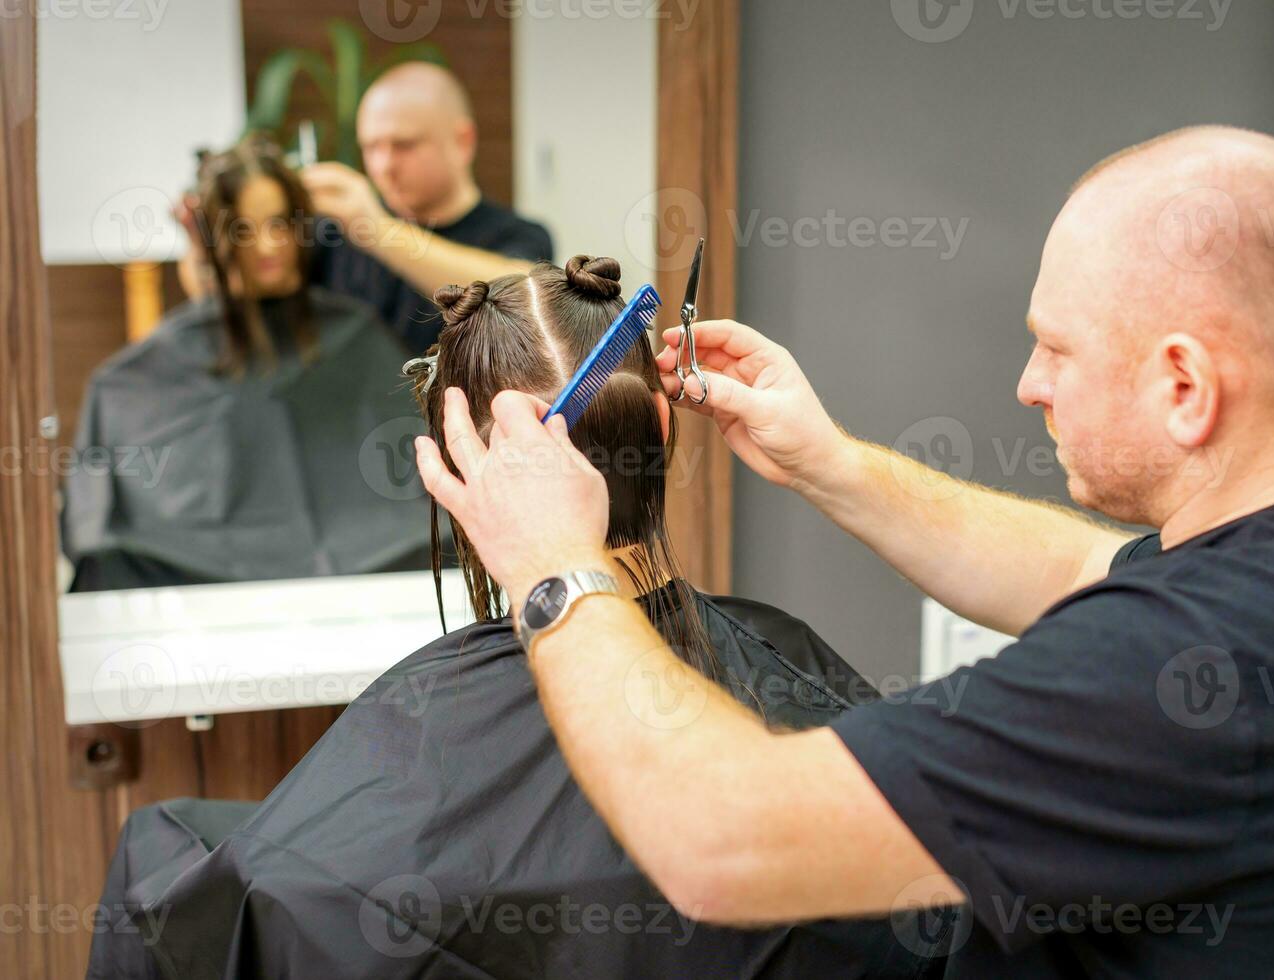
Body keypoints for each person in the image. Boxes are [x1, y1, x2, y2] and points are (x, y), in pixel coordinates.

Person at [412, 126, 1274, 978]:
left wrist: (557, 568)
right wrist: (830, 461)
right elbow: (1084, 569)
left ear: (1185, 385)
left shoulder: (1174, 673)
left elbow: (717, 840)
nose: (1030, 383)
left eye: (1057, 346)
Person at [87, 257, 945, 978]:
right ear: (661, 421)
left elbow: (259, 904)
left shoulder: (421, 728)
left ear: (461, 478)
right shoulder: (794, 665)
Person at [63, 136, 431, 591]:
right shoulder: (139, 372)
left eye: (279, 223)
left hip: (372, 555)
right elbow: (97, 518)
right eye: (243, 228)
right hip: (208, 568)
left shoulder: (354, 331)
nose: (267, 245)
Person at [180, 62, 553, 354]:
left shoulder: (516, 235)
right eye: (371, 147)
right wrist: (207, 249)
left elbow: (522, 295)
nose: (383, 166)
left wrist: (378, 230)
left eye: (403, 145)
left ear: (462, 141)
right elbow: (233, 295)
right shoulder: (335, 237)